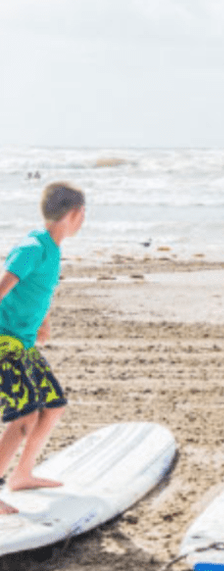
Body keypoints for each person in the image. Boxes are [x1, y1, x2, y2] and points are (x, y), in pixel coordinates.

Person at [0, 182, 85, 514]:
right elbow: (5, 284)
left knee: (53, 404)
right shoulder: (34, 246)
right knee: (24, 414)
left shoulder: (51, 247)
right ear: (76, 214)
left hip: (21, 342)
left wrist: (43, 321)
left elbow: (37, 289)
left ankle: (22, 474)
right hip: (4, 342)